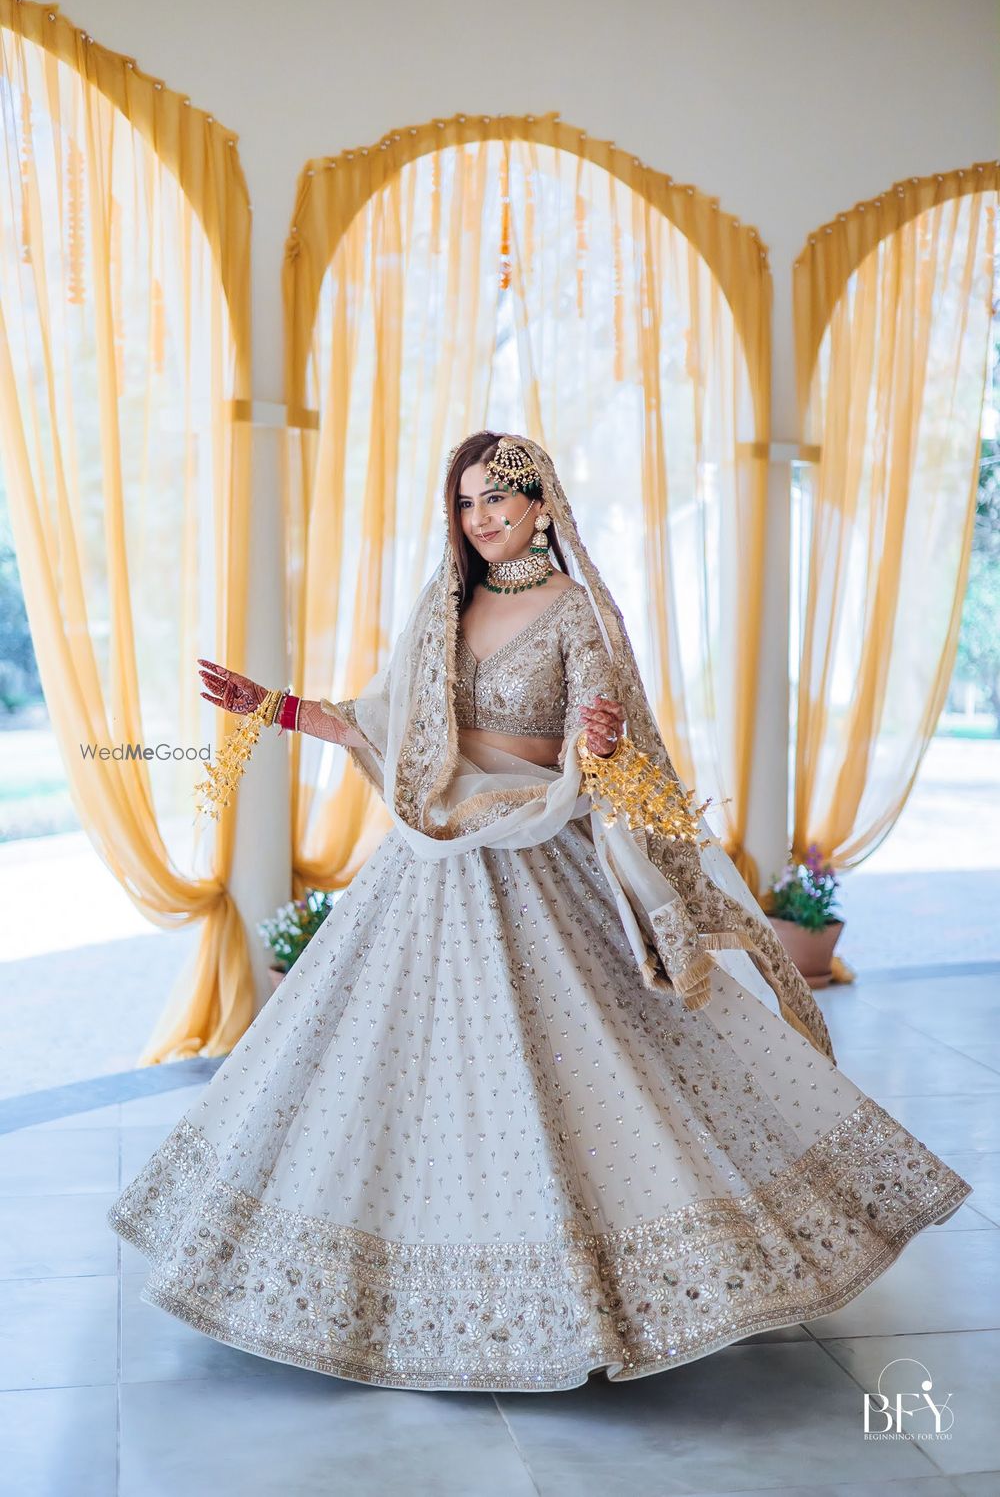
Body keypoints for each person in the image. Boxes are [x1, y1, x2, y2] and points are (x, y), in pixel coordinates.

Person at [107, 430, 972, 1393]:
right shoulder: (445, 605)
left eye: (497, 501)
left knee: (592, 1062)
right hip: (433, 862)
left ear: (542, 506)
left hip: (537, 852)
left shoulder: (575, 612)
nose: (480, 520)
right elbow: (385, 720)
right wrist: (276, 708)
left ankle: (621, 1281)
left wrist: (595, 739)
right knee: (387, 1062)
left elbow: (606, 730)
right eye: (467, 503)